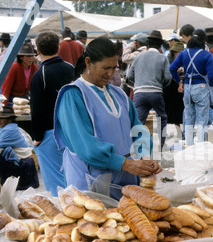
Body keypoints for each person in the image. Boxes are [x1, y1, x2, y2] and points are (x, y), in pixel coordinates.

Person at [54, 36, 161, 200]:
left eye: (114, 68)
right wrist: (125, 164)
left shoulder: (118, 94)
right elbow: (85, 146)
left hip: (125, 183)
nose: (111, 74)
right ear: (88, 62)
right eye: (106, 68)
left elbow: (137, 128)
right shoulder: (74, 95)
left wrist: (145, 158)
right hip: (91, 185)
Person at [30, 31, 74, 197]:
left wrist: (37, 136)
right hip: (73, 130)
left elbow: (37, 109)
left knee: (55, 182)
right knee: (72, 177)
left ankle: (62, 214)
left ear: (38, 51)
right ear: (58, 47)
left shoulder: (40, 75)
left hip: (50, 132)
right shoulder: (71, 69)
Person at [169, 29, 213, 146]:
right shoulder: (207, 55)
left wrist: (179, 81)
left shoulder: (184, 53)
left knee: (189, 119)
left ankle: (189, 147)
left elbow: (172, 68)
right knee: (202, 120)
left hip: (187, 88)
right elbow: (211, 76)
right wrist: (211, 84)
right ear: (203, 42)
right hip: (201, 87)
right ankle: (200, 147)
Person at [128, 30, 172, 147]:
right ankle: (161, 143)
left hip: (139, 93)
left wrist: (139, 83)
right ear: (160, 45)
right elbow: (168, 78)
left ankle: (136, 144)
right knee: (162, 117)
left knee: (138, 120)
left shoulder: (138, 57)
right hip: (156, 92)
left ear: (147, 44)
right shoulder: (162, 58)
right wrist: (160, 85)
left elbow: (130, 76)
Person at [0, 106, 39, 190]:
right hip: (23, 162)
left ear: (10, 119)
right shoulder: (6, 128)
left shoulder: (9, 130)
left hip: (25, 164)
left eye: (3, 118)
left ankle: (6, 183)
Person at [163, 41, 185, 126]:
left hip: (179, 87)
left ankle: (178, 125)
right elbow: (167, 73)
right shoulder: (168, 60)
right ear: (175, 53)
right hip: (169, 87)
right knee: (169, 108)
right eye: (179, 53)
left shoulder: (183, 59)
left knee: (179, 108)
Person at [121, 32, 148, 98]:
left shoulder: (140, 53)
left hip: (137, 85)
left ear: (137, 42)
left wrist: (130, 45)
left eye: (134, 41)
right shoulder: (145, 51)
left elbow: (125, 58)